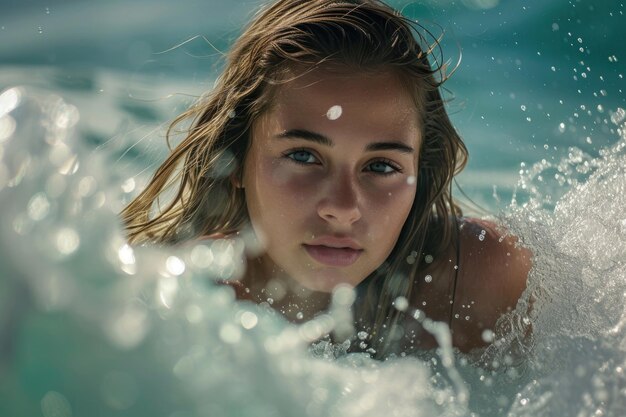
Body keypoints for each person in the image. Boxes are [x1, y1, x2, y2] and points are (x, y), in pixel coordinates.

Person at [121, 0, 531, 358]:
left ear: (419, 176)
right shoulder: (181, 303)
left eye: (382, 166)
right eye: (304, 156)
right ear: (235, 163)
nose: (342, 207)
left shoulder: (486, 280)